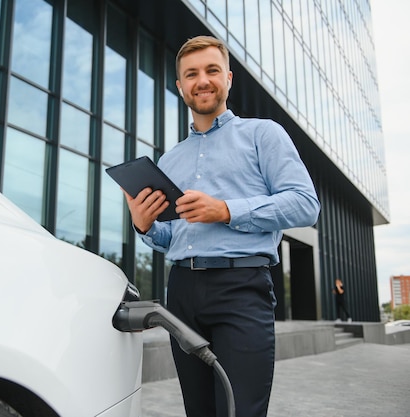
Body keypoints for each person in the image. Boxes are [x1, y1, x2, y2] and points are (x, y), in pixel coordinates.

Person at [123, 36, 320, 417]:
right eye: (191, 74)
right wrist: (145, 226)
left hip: (242, 289)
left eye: (212, 70)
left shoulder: (263, 134)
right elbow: (175, 236)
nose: (203, 80)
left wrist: (227, 210)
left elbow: (305, 204)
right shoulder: (170, 160)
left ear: (228, 78)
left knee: (239, 410)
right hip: (182, 291)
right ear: (180, 87)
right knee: (198, 411)